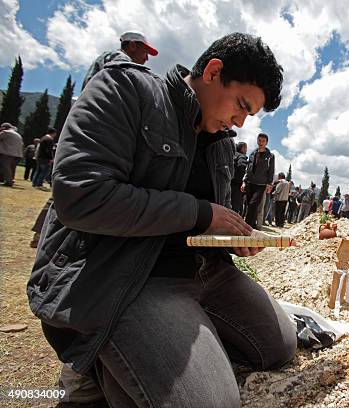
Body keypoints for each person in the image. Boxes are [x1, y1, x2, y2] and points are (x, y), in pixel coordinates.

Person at [27, 33, 295, 407]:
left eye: (249, 115)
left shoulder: (221, 143)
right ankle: (94, 369)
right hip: (132, 274)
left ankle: (164, 345)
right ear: (214, 72)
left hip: (205, 272)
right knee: (212, 403)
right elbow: (81, 196)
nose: (240, 120)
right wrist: (201, 213)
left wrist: (231, 238)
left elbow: (211, 218)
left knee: (279, 346)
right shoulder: (127, 89)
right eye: (241, 105)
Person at [82, 31, 158, 89]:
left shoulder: (106, 58)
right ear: (132, 46)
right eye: (145, 52)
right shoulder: (120, 58)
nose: (147, 58)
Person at [242, 133, 275, 228]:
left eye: (263, 141)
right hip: (249, 183)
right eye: (259, 140)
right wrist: (244, 181)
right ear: (257, 140)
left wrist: (269, 184)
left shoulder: (270, 156)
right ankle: (252, 226)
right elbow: (248, 168)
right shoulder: (252, 153)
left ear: (266, 142)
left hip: (261, 185)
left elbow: (271, 171)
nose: (261, 143)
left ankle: (247, 227)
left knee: (253, 204)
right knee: (249, 205)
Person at [0, 122, 23, 187]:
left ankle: (9, 181)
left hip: (7, 153)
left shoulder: (6, 132)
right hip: (16, 154)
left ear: (4, 127)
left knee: (6, 168)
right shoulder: (16, 134)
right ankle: (7, 179)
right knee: (9, 168)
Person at [230, 139, 248, 214]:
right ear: (242, 148)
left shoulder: (232, 154)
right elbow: (241, 166)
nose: (246, 150)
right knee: (235, 206)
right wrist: (242, 180)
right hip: (237, 185)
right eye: (245, 148)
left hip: (228, 182)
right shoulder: (241, 156)